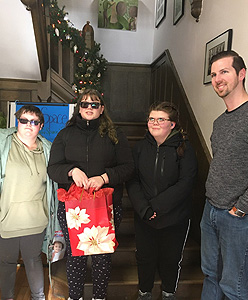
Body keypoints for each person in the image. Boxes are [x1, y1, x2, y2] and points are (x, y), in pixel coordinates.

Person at [47, 89, 134, 300]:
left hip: (106, 206)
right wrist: (71, 171)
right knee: (76, 256)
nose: (89, 108)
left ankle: (98, 297)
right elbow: (52, 168)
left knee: (102, 258)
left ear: (101, 109)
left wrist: (104, 178)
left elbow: (129, 167)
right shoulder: (65, 134)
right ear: (79, 108)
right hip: (73, 208)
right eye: (84, 104)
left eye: (94, 105)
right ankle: (74, 296)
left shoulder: (115, 135)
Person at [126, 102, 197, 300]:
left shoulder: (185, 148)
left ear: (172, 124)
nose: (154, 123)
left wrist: (156, 206)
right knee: (144, 257)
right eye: (151, 119)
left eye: (160, 119)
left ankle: (168, 293)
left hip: (175, 217)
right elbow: (133, 180)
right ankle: (144, 292)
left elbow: (186, 182)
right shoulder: (139, 148)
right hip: (145, 216)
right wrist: (145, 209)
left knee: (171, 258)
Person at [200, 50, 248, 300]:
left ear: (241, 74)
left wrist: (241, 209)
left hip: (237, 218)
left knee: (235, 287)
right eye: (213, 74)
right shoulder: (219, 122)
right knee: (210, 275)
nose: (217, 79)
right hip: (210, 212)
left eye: (224, 71)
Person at [0, 105, 59, 300]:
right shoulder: (3, 143)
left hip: (36, 219)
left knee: (33, 261)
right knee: (7, 262)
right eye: (24, 120)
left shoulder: (48, 150)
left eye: (33, 122)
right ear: (17, 122)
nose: (28, 125)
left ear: (40, 126)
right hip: (6, 217)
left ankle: (38, 297)